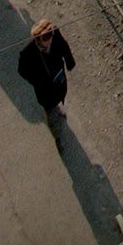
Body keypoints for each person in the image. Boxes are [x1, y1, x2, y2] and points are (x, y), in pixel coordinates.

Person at [17, 19, 75, 148]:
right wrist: (38, 81)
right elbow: (22, 71)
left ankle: (57, 108)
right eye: (47, 38)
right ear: (38, 39)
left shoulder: (54, 33)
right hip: (45, 90)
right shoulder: (27, 53)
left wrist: (70, 62)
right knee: (51, 114)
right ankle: (57, 137)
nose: (51, 39)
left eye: (51, 35)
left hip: (58, 80)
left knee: (59, 97)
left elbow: (64, 46)